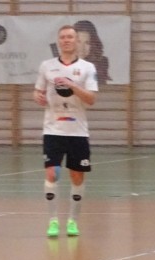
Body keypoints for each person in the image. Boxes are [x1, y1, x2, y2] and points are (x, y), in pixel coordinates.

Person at [33, 24, 98, 237]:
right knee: (52, 173)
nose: (66, 40)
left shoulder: (87, 68)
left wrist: (73, 86)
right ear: (59, 41)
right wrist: (38, 96)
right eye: (63, 37)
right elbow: (37, 91)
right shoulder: (47, 66)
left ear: (76, 41)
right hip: (53, 129)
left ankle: (73, 221)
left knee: (77, 176)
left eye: (70, 37)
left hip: (77, 131)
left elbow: (91, 99)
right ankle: (53, 221)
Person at [73, 20, 112, 84]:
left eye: (87, 43)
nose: (82, 48)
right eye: (78, 41)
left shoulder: (101, 64)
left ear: (93, 45)